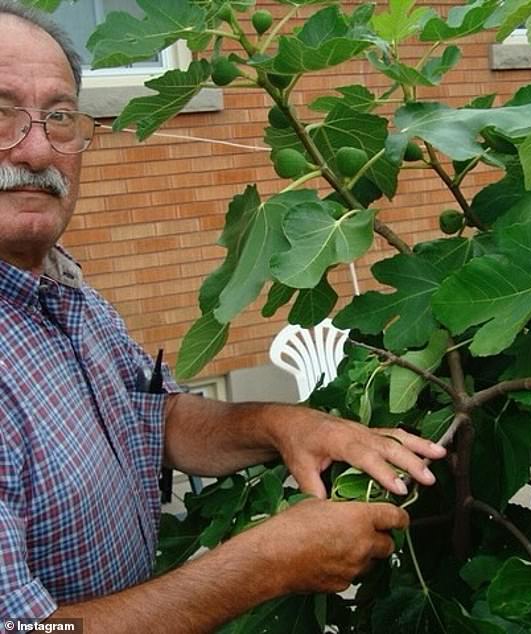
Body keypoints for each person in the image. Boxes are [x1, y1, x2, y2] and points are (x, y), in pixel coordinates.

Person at [0, 2, 446, 631]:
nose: (39, 148)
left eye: (61, 117)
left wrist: (282, 424)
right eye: (2, 111)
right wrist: (262, 565)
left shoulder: (59, 284)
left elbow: (150, 419)